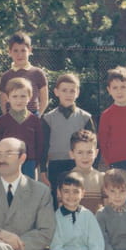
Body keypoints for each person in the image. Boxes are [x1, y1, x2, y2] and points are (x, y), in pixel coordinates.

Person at [40, 73, 95, 206]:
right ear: (56, 92)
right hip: (56, 165)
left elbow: (94, 145)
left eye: (72, 91)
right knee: (58, 201)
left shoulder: (85, 117)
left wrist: (92, 167)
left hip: (78, 164)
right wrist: (42, 171)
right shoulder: (48, 118)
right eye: (64, 90)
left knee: (79, 200)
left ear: (78, 92)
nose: (68, 94)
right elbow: (43, 146)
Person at [0, 77, 44, 179]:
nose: (19, 100)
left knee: (27, 187)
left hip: (29, 163)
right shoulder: (2, 121)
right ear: (8, 98)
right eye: (14, 96)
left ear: (29, 97)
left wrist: (35, 163)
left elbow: (40, 144)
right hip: (8, 162)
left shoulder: (35, 120)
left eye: (23, 96)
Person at [0, 32, 48, 116]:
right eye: (15, 51)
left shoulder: (38, 73)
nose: (19, 54)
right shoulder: (6, 76)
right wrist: (6, 117)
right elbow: (3, 101)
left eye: (23, 50)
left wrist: (37, 117)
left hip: (32, 115)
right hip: (11, 116)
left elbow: (44, 99)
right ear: (9, 52)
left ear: (30, 50)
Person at [69, 129, 104, 214]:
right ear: (72, 154)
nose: (85, 157)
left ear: (96, 153)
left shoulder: (102, 178)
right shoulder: (67, 179)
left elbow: (107, 208)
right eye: (80, 152)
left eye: (89, 152)